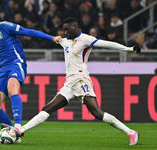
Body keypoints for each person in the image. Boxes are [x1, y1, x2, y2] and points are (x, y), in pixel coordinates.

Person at [8, 17, 141, 145]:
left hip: (81, 81)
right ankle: (21, 130)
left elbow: (107, 44)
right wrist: (53, 38)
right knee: (48, 108)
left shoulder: (86, 39)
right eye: (63, 30)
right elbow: (53, 38)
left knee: (97, 112)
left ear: (75, 27)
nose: (65, 33)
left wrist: (128, 49)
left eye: (67, 29)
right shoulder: (64, 40)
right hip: (69, 84)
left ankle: (130, 132)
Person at [0, 12, 61, 142]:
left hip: (16, 63)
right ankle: (12, 135)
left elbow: (27, 32)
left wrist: (51, 38)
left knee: (11, 89)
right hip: (3, 69)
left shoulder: (5, 26)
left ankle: (18, 128)